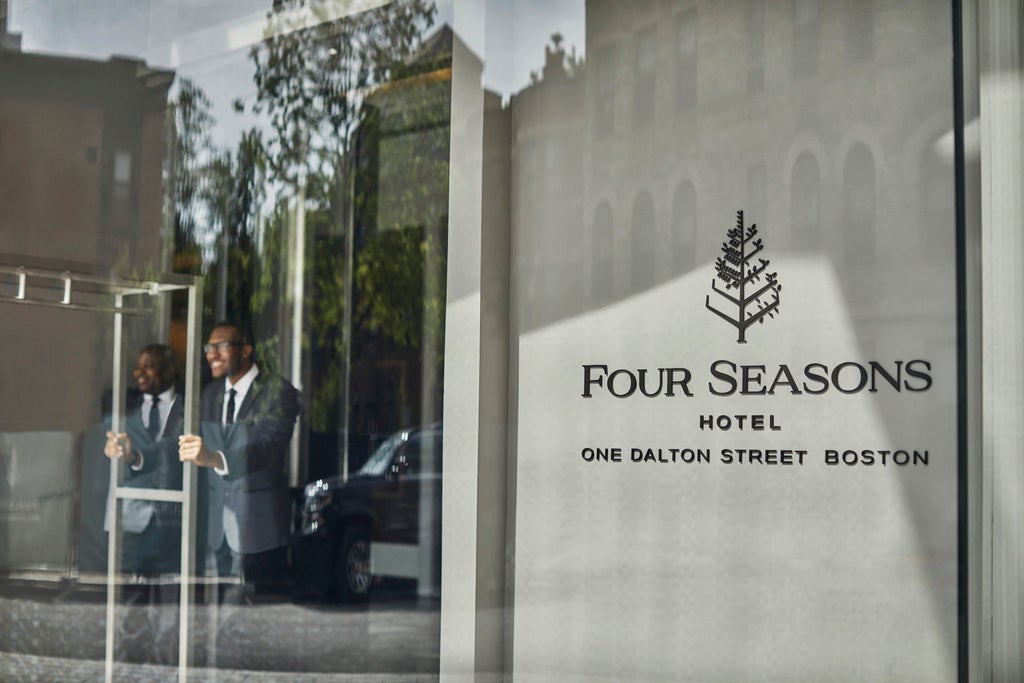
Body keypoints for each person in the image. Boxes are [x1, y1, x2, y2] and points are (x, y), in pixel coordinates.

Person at [178, 321, 300, 600]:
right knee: (214, 619)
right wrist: (134, 454)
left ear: (246, 350)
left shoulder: (278, 391)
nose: (211, 355)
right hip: (216, 528)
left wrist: (214, 458)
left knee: (251, 621)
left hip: (258, 529)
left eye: (221, 346)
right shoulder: (210, 395)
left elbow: (266, 447)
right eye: (209, 348)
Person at [103, 343, 183, 664]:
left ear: (169, 370)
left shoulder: (188, 410)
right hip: (133, 522)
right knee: (130, 605)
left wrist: (138, 454)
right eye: (138, 366)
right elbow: (115, 453)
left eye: (149, 366)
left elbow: (174, 453)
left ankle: (168, 668)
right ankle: (129, 666)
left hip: (172, 523)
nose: (140, 372)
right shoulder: (121, 409)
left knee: (169, 610)